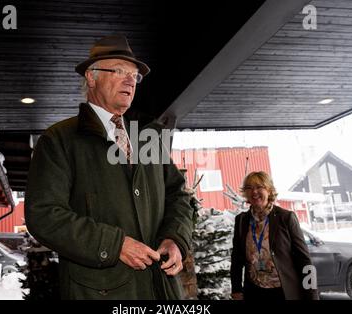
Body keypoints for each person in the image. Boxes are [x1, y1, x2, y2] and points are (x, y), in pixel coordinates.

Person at [25, 35, 193, 299]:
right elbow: (44, 215)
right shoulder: (59, 140)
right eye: (118, 71)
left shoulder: (147, 136)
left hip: (162, 291)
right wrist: (115, 246)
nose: (130, 80)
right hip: (100, 292)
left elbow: (178, 196)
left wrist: (176, 239)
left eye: (134, 75)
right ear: (91, 77)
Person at [230, 171, 319, 300]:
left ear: (269, 190)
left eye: (259, 187)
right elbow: (237, 259)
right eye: (249, 188)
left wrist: (312, 295)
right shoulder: (242, 220)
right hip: (254, 292)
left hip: (284, 291)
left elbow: (304, 259)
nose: (254, 192)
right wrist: (236, 289)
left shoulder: (286, 218)